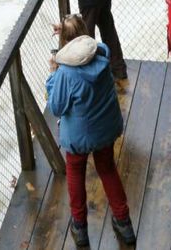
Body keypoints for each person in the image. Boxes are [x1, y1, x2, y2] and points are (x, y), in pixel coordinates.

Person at [46, 14, 136, 248]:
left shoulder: (65, 73)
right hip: (106, 129)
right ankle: (124, 223)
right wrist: (70, 32)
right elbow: (88, 44)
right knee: (107, 168)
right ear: (84, 34)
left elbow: (56, 107)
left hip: (79, 138)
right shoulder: (103, 53)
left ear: (65, 42)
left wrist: (53, 74)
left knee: (75, 173)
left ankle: (80, 228)